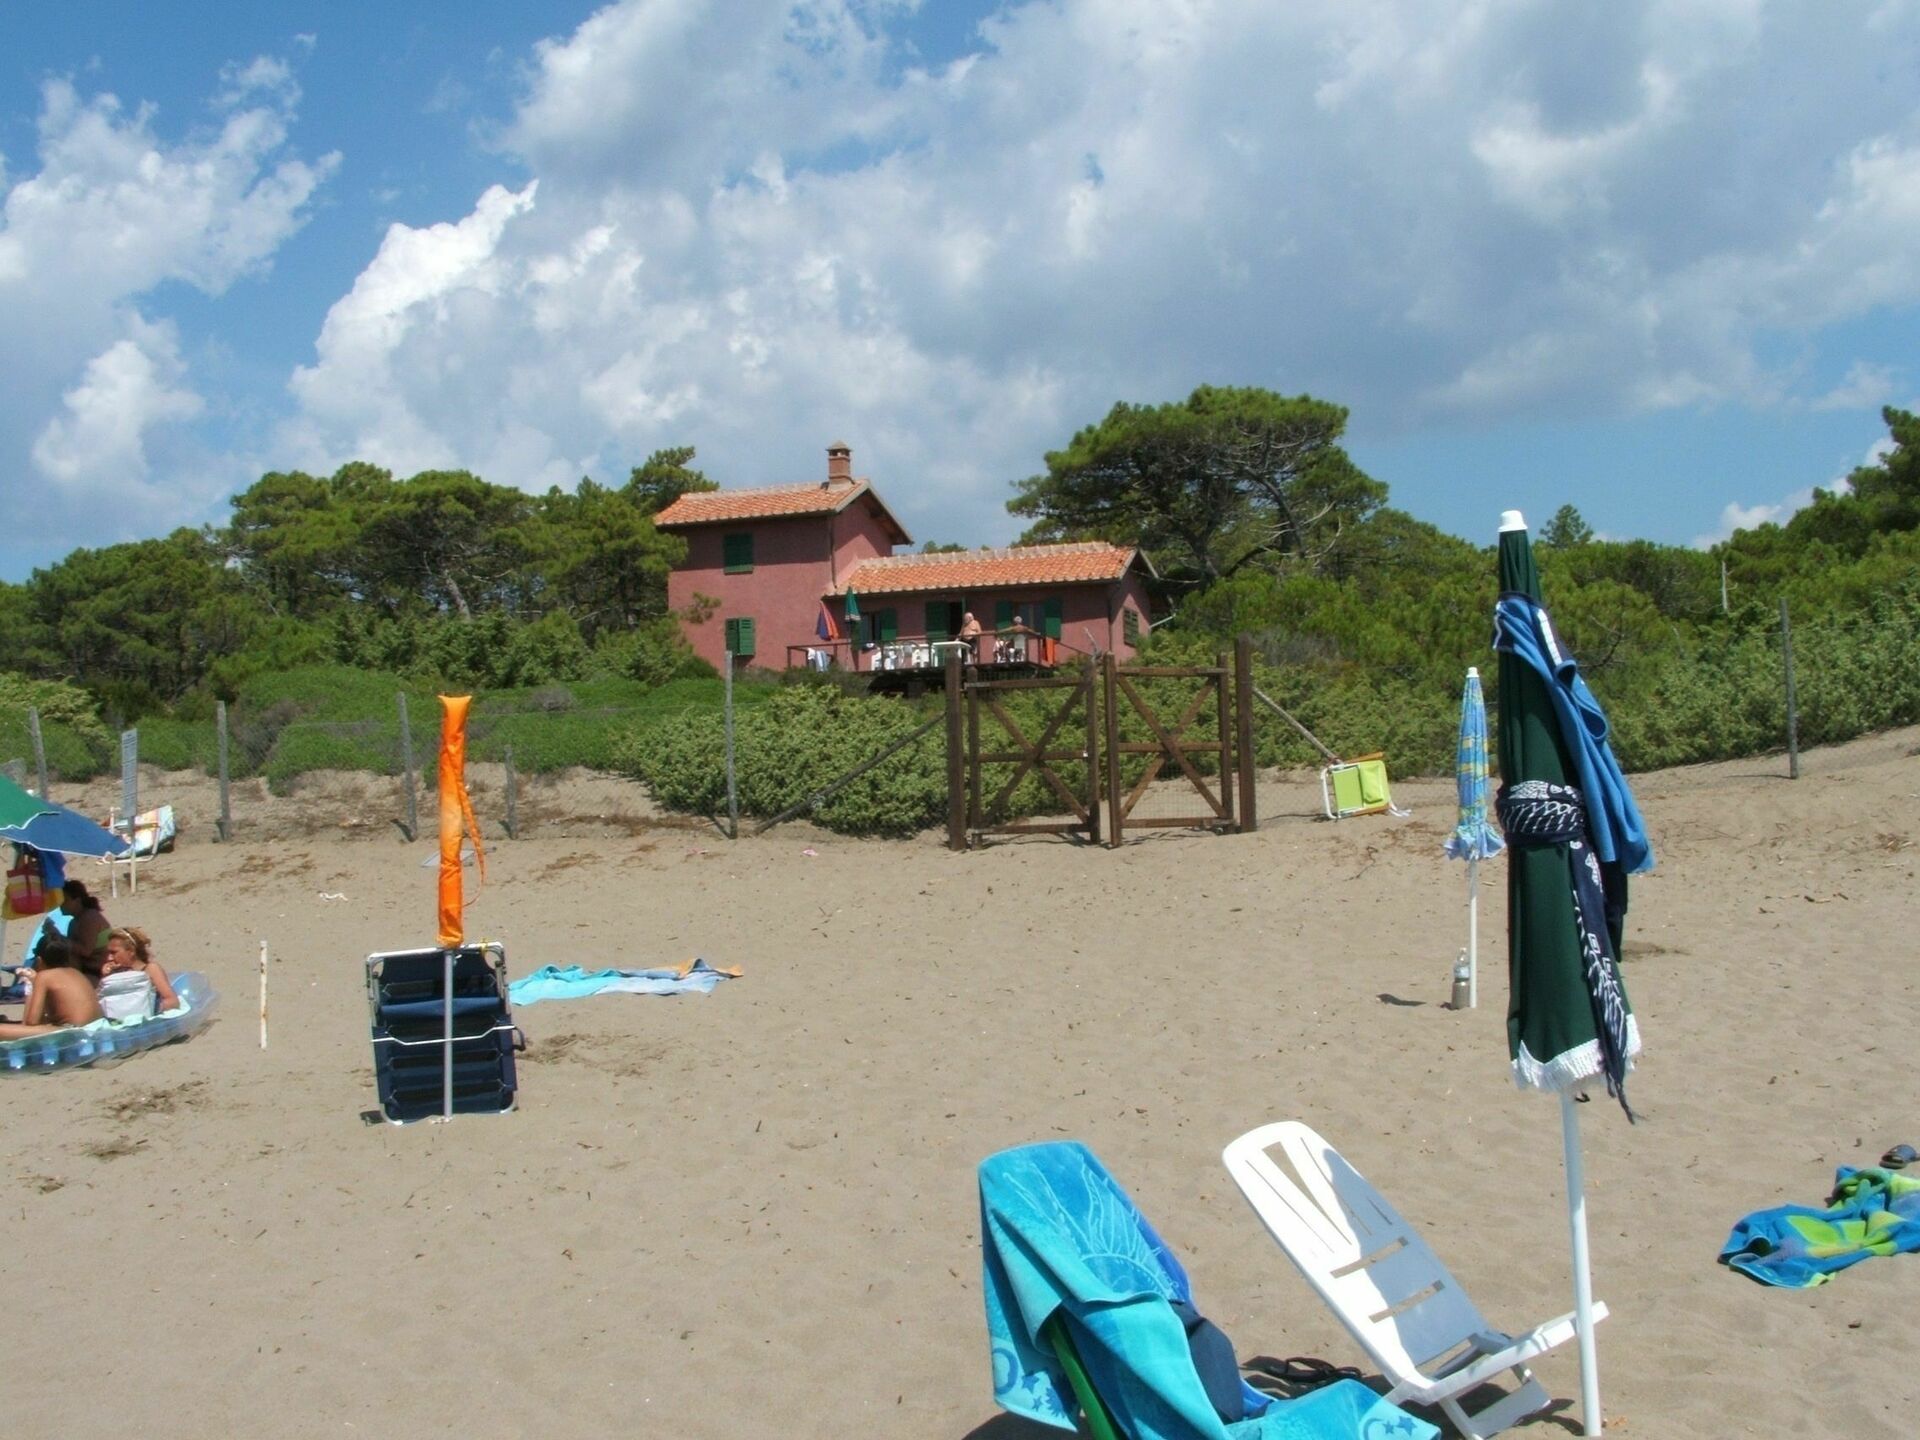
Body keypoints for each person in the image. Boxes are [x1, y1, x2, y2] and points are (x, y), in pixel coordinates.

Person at [0, 934, 104, 1038]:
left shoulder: (44, 976)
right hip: (96, 1026)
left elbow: (31, 1022)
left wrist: (31, 984)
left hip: (74, 1031)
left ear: (39, 960)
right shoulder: (76, 972)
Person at [97, 927, 178, 1018]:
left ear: (131, 951)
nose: (109, 958)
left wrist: (152, 1018)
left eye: (114, 952)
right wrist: (106, 978)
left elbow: (171, 1000)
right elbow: (98, 1003)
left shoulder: (150, 969)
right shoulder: (115, 974)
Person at [58, 879, 111, 972]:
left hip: (98, 970)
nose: (61, 905)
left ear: (77, 900)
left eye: (65, 900)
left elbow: (86, 951)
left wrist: (59, 938)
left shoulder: (89, 918)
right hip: (86, 968)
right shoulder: (74, 922)